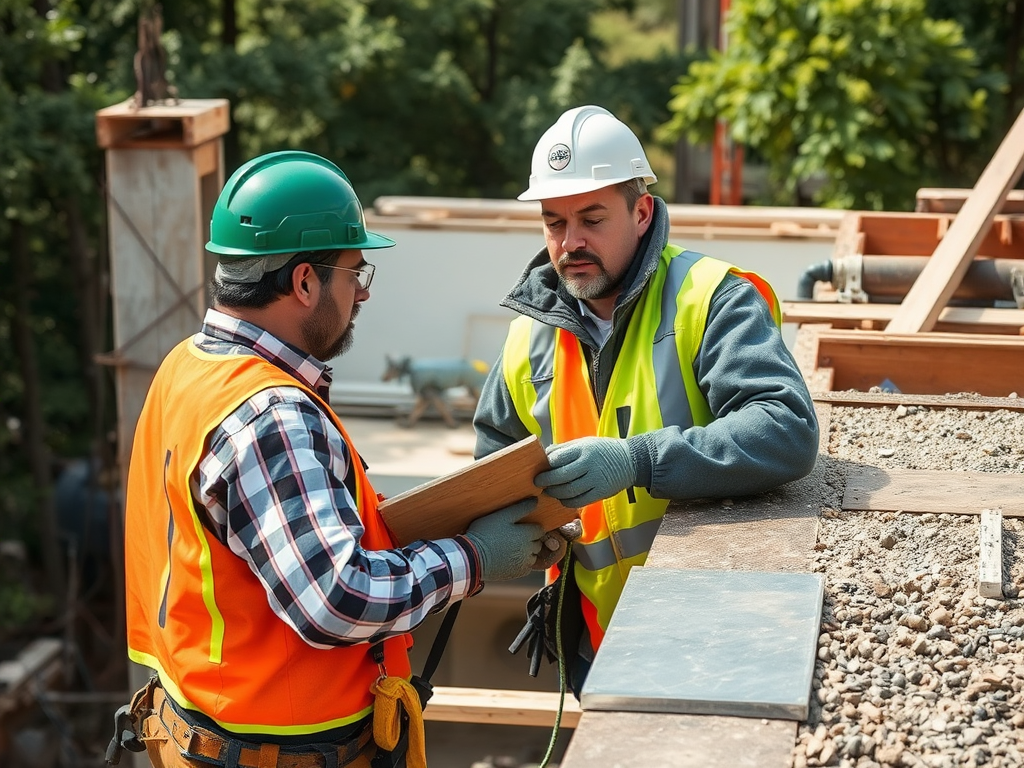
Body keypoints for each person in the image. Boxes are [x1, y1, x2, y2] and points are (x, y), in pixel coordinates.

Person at [111, 150, 546, 768]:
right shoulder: (273, 416)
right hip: (278, 748)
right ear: (304, 282)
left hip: (202, 724)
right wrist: (473, 558)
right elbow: (336, 599)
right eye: (355, 273)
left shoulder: (189, 366)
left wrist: (432, 517)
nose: (362, 294)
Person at [473, 105, 820, 695]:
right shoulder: (527, 337)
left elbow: (784, 430)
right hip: (594, 640)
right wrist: (501, 533)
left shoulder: (712, 298)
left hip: (716, 635)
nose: (571, 242)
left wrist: (637, 461)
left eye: (591, 219)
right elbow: (493, 466)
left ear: (641, 212)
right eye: (554, 222)